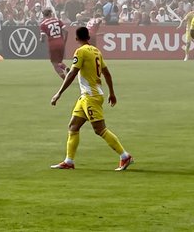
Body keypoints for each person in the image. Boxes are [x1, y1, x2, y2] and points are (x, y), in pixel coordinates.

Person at [49, 25, 133, 171]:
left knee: (100, 129)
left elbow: (73, 73)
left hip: (91, 96)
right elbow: (106, 72)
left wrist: (59, 93)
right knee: (73, 127)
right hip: (88, 96)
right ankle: (69, 161)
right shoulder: (96, 51)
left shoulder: (80, 51)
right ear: (88, 37)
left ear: (76, 38)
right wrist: (112, 93)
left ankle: (125, 156)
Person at [38, 8, 68, 78]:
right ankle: (66, 68)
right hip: (61, 43)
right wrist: (64, 41)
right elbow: (66, 31)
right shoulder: (57, 20)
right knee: (59, 62)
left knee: (55, 63)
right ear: (51, 14)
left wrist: (41, 40)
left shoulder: (43, 24)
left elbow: (43, 38)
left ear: (43, 15)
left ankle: (65, 80)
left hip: (53, 44)